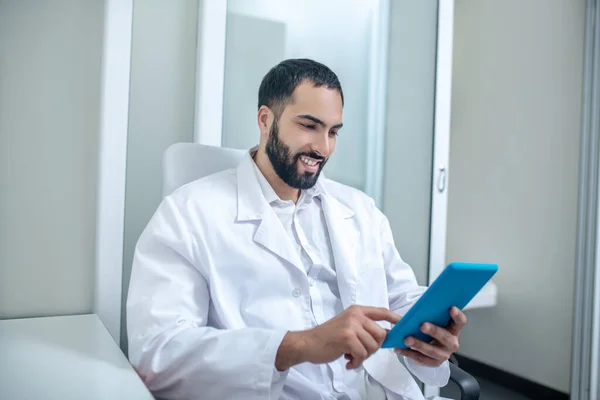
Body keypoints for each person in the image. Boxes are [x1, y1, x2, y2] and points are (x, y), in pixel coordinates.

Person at [126, 58, 466, 400]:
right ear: (265, 120)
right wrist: (299, 344)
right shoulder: (188, 214)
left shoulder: (359, 209)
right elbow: (159, 353)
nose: (323, 147)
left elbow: (399, 298)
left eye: (333, 131)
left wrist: (429, 332)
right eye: (309, 126)